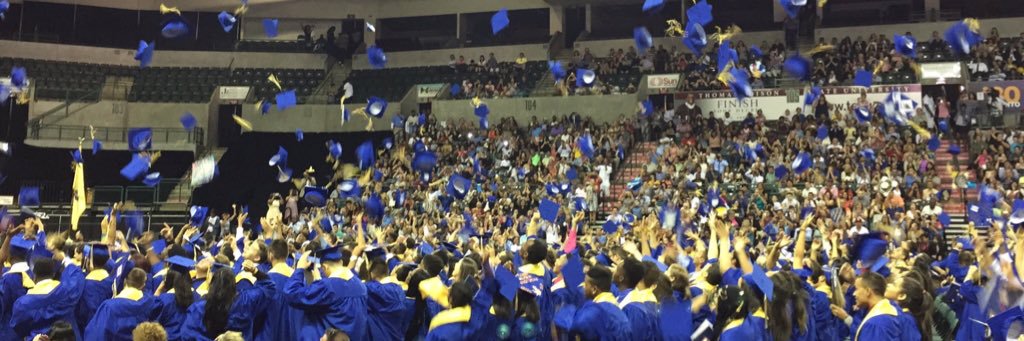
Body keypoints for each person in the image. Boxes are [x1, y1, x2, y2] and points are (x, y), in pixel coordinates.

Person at [285, 244, 368, 340]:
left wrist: (299, 269)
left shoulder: (327, 286)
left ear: (325, 267)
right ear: (341, 262)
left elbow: (291, 292)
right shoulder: (360, 286)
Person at [180, 263, 275, 340]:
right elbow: (269, 287)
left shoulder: (199, 308)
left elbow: (187, 334)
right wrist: (255, 271)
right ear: (234, 283)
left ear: (212, 283)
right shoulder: (247, 300)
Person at [10, 251, 85, 340]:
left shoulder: (23, 303)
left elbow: (18, 328)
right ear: (53, 274)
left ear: (34, 276)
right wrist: (65, 259)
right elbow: (77, 277)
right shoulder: (67, 292)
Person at [84, 268, 159, 341]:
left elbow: (96, 335)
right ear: (143, 285)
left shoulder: (109, 306)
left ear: (125, 281)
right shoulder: (149, 302)